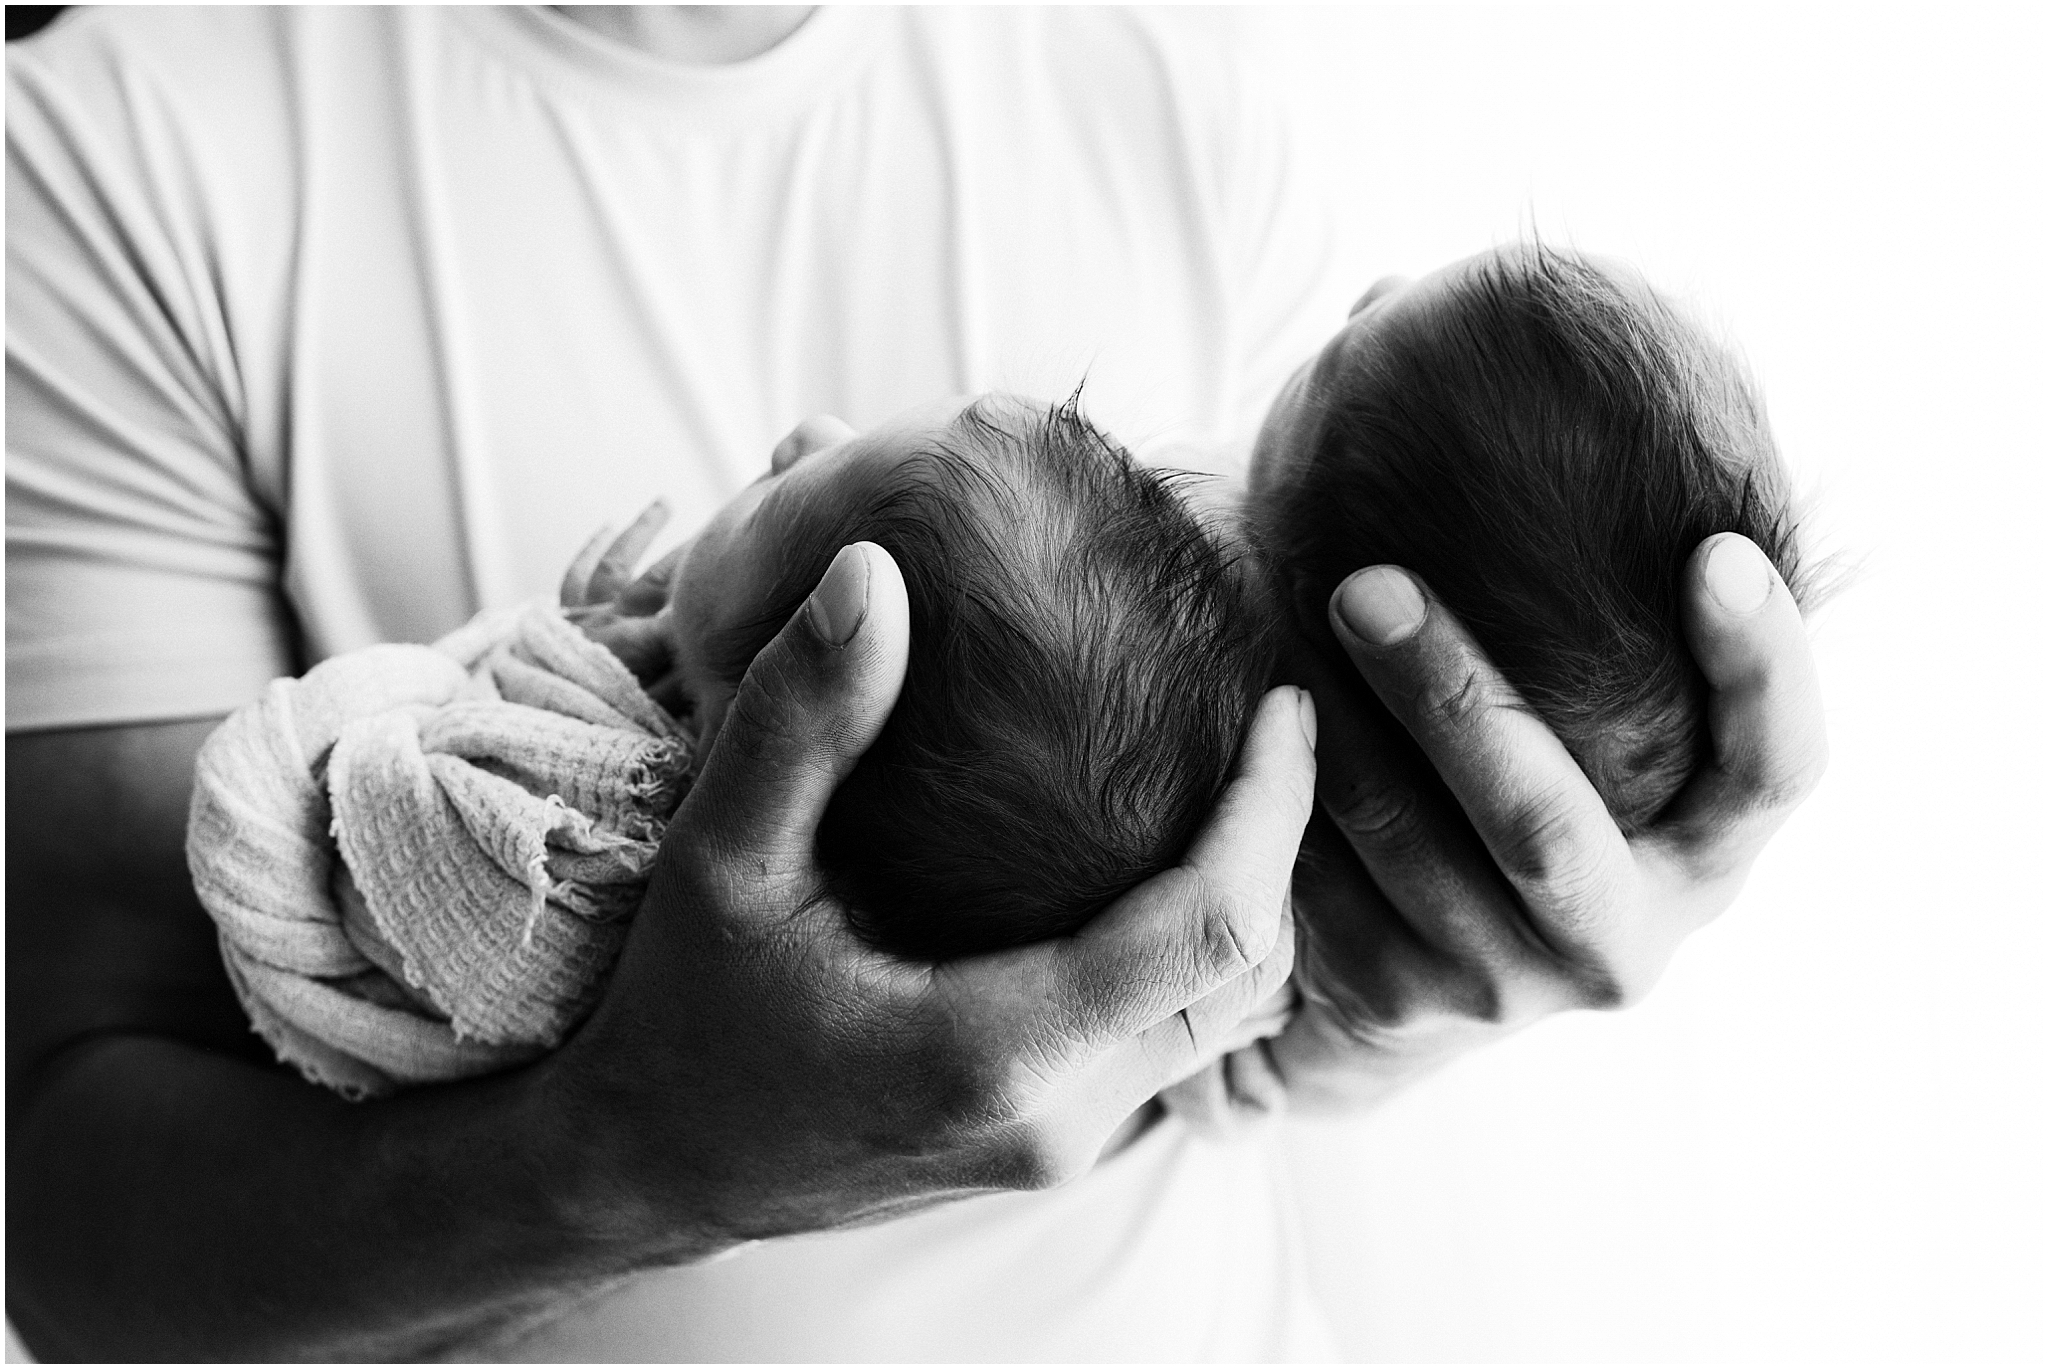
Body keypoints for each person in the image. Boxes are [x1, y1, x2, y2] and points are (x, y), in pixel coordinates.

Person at [4, 7, 1828, 1359]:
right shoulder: (106, 164)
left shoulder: (1170, 100)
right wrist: (644, 1151)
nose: (797, 432)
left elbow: (1236, 1048)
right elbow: (62, 1224)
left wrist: (1401, 986)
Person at [189, 392, 1283, 1098]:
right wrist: (593, 646)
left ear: (738, 733)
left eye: (778, 499)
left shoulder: (584, 846)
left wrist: (551, 680)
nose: (802, 433)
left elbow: (391, 825)